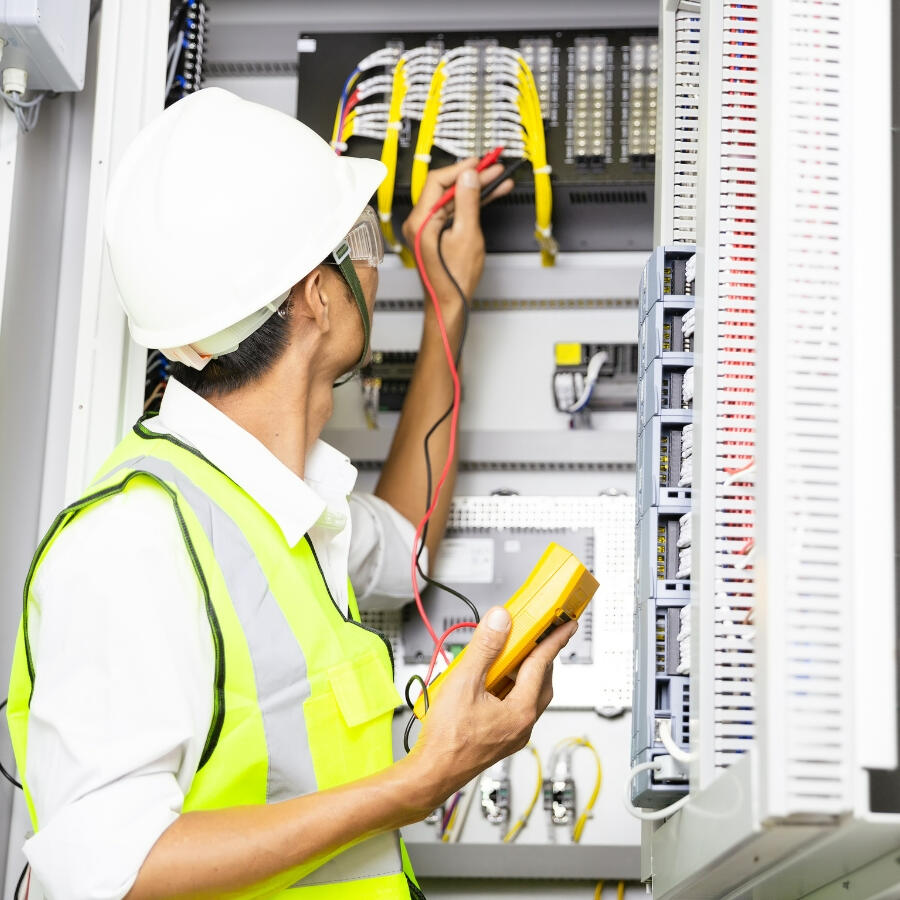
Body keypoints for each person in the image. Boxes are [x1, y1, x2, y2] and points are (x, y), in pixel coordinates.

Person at [6, 88, 577, 899]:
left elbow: (405, 544)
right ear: (317, 294)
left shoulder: (278, 502)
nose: (376, 263)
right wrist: (419, 781)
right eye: (363, 240)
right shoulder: (131, 541)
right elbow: (108, 875)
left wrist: (447, 306)